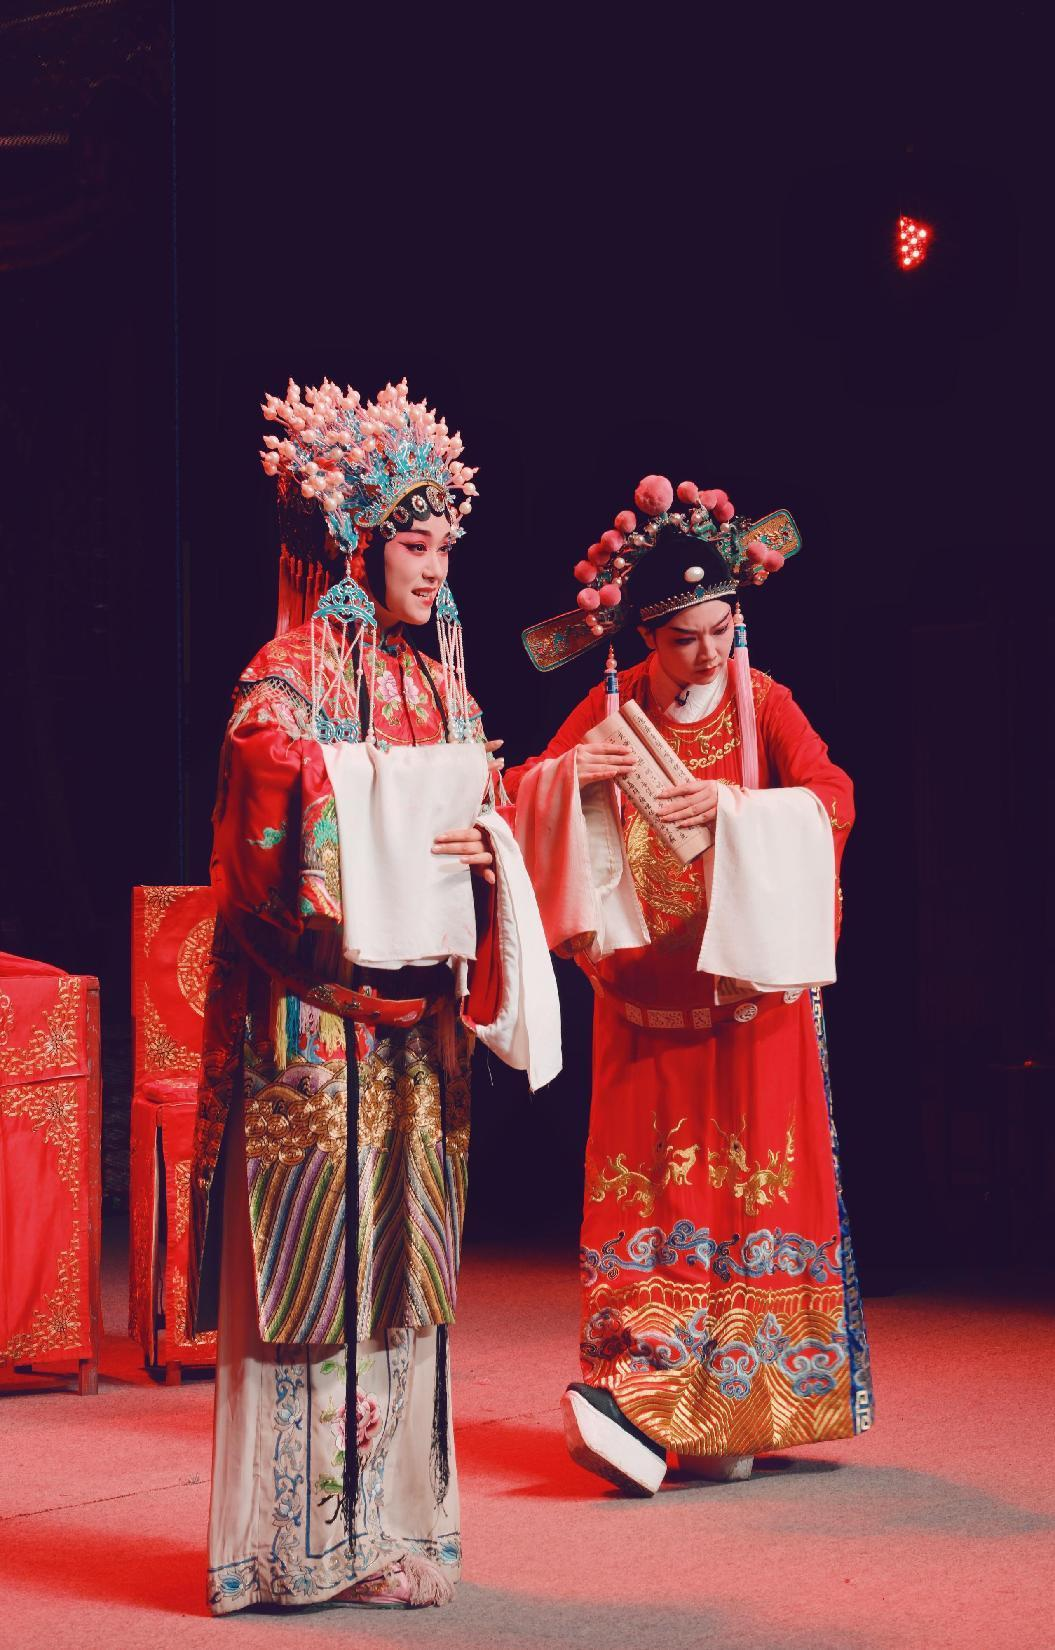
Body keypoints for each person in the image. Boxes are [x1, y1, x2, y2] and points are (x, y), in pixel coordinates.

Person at [187, 377, 559, 1612]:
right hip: (315, 1024)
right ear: (356, 544)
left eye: (445, 544)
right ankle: (292, 1547)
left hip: (417, 1033)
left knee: (405, 1274)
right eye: (414, 544)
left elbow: (486, 807)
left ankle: (394, 1527)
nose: (434, 565)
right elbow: (261, 805)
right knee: (313, 1276)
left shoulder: (442, 684)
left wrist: (487, 843)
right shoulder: (285, 674)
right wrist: (376, 802)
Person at [507, 473, 873, 1496]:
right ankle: (640, 1396)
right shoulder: (609, 709)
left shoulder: (765, 702)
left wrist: (736, 812)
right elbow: (520, 790)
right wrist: (564, 781)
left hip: (748, 1003)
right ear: (644, 639)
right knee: (656, 1203)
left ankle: (744, 1404)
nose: (708, 655)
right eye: (684, 639)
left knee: (746, 1202)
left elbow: (832, 798)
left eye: (721, 631)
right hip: (642, 1006)